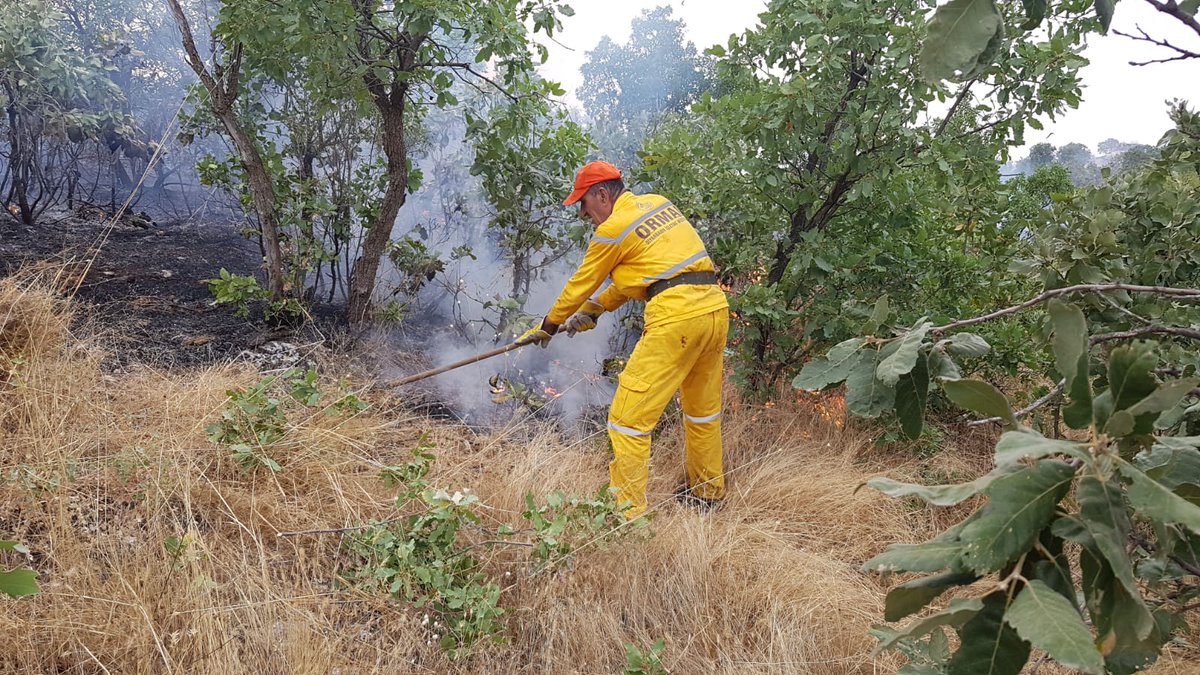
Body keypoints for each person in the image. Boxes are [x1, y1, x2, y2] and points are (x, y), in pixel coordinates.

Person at [518, 161, 730, 518]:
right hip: (713, 312)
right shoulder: (659, 204)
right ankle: (708, 494)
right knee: (702, 414)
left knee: (627, 419)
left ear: (603, 194)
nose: (586, 216)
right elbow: (649, 276)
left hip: (676, 319)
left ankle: (625, 517)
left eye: (585, 206)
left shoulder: (613, 228)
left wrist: (549, 326)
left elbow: (580, 283)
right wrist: (594, 311)